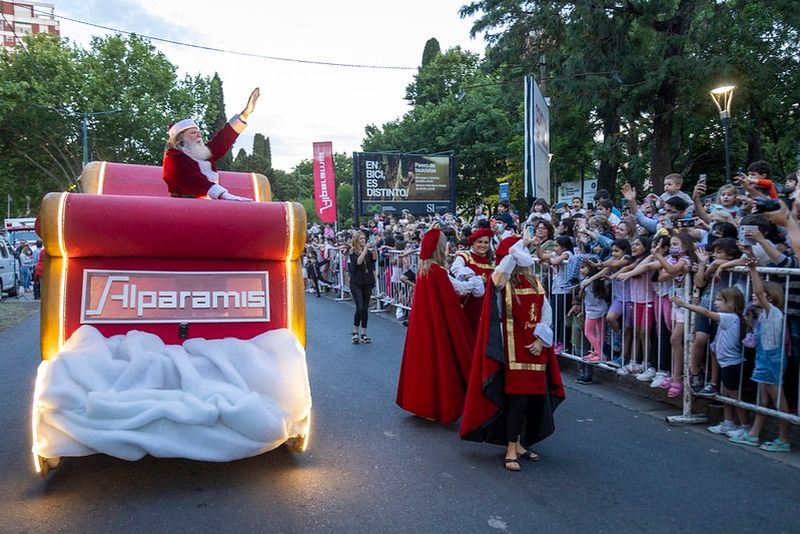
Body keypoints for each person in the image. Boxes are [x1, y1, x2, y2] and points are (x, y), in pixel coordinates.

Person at [460, 235, 565, 472]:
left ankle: (518, 443)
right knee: (516, 399)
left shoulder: (535, 282)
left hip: (535, 350)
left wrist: (541, 340)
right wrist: (514, 250)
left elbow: (545, 313)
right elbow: (497, 277)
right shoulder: (503, 283)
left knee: (530, 400)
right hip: (511, 350)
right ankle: (509, 446)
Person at [396, 226, 482, 423]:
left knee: (424, 364)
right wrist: (475, 283)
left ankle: (421, 404)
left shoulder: (424, 269)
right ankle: (434, 406)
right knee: (439, 363)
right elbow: (455, 293)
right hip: (437, 327)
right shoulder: (437, 271)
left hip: (423, 328)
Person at [672, 287, 750, 436]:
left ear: (731, 304)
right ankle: (728, 423)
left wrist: (685, 304)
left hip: (731, 363)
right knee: (726, 394)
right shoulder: (729, 318)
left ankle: (745, 426)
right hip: (725, 362)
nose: (715, 303)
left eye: (720, 300)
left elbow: (706, 313)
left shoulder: (730, 317)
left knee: (734, 396)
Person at [162, 87, 260, 200]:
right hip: (184, 207)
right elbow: (190, 180)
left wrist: (246, 113)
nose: (199, 135)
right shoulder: (173, 158)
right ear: (180, 138)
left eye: (199, 132)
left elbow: (224, 139)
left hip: (210, 203)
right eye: (193, 133)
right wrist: (223, 195)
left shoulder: (202, 153)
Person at [450, 227, 495, 335]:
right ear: (473, 243)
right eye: (480, 242)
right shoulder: (465, 256)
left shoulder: (491, 261)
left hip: (485, 304)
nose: (483, 245)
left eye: (486, 242)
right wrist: (473, 278)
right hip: (466, 303)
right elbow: (456, 269)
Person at [348, 232, 378, 344]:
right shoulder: (353, 251)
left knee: (365, 308)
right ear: (356, 240)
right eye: (361, 239)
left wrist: (374, 247)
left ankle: (364, 333)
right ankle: (355, 331)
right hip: (356, 282)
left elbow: (374, 259)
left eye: (364, 239)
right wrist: (365, 249)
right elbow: (359, 262)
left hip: (367, 281)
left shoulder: (368, 251)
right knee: (359, 307)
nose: (363, 240)